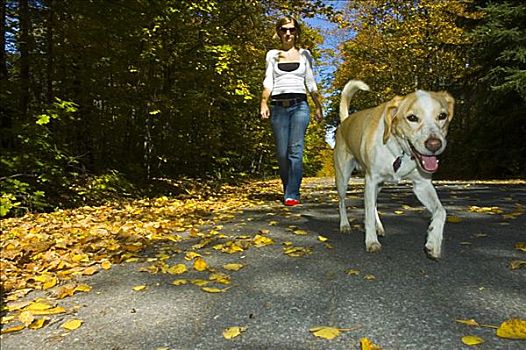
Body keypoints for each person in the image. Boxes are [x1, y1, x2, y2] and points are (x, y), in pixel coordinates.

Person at [260, 16, 323, 207]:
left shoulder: (305, 54)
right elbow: (268, 81)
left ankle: (292, 193)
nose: (288, 33)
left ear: (297, 32)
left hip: (300, 107)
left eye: (292, 30)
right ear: (278, 32)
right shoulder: (272, 54)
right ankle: (288, 187)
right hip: (278, 107)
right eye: (284, 29)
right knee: (281, 153)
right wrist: (264, 102)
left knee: (295, 151)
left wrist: (318, 106)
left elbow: (310, 82)